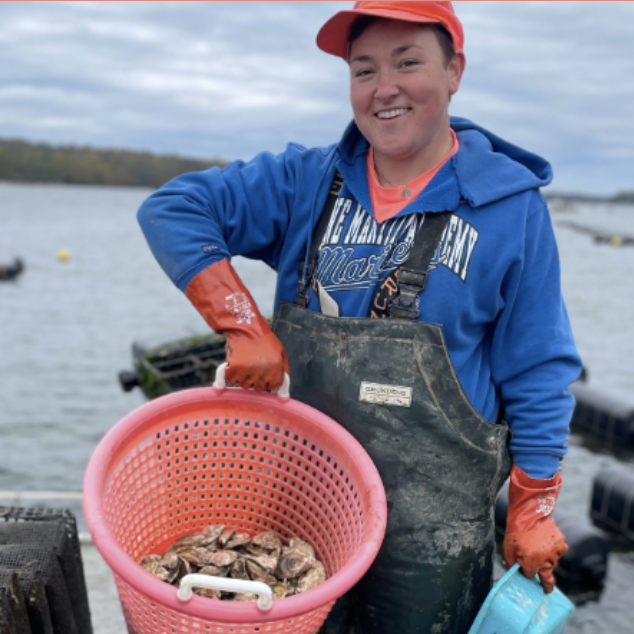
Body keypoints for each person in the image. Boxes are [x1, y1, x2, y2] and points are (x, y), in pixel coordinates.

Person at [137, 2, 582, 632]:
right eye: (364, 69)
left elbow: (537, 370)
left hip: (434, 532)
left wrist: (533, 507)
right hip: (301, 515)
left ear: (454, 70)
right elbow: (173, 208)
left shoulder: (512, 211)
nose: (385, 88)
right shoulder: (306, 182)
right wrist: (242, 323)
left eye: (408, 63)